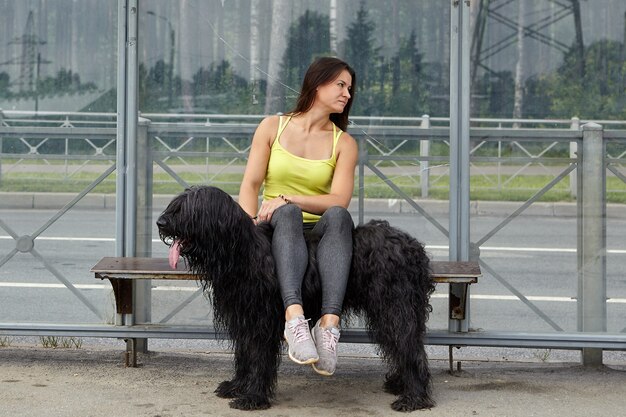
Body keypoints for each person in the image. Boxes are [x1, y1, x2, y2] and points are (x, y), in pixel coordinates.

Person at [238, 57, 358, 376]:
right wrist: (248, 224)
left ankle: (328, 326)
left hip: (317, 229)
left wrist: (289, 196)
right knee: (288, 212)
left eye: (350, 88)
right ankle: (294, 319)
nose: (347, 94)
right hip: (274, 226)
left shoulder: (344, 143)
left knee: (339, 217)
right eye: (340, 85)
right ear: (317, 85)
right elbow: (250, 184)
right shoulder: (271, 127)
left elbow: (339, 200)